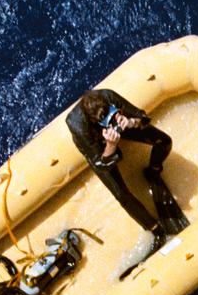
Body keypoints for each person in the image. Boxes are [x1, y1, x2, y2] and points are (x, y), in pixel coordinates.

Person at [66, 88, 176, 246]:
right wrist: (110, 145)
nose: (109, 121)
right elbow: (101, 164)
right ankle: (155, 229)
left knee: (164, 141)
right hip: (99, 148)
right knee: (122, 195)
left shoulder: (108, 96)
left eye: (110, 115)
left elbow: (142, 116)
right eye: (105, 121)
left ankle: (153, 170)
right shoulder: (78, 125)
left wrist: (131, 122)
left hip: (121, 129)